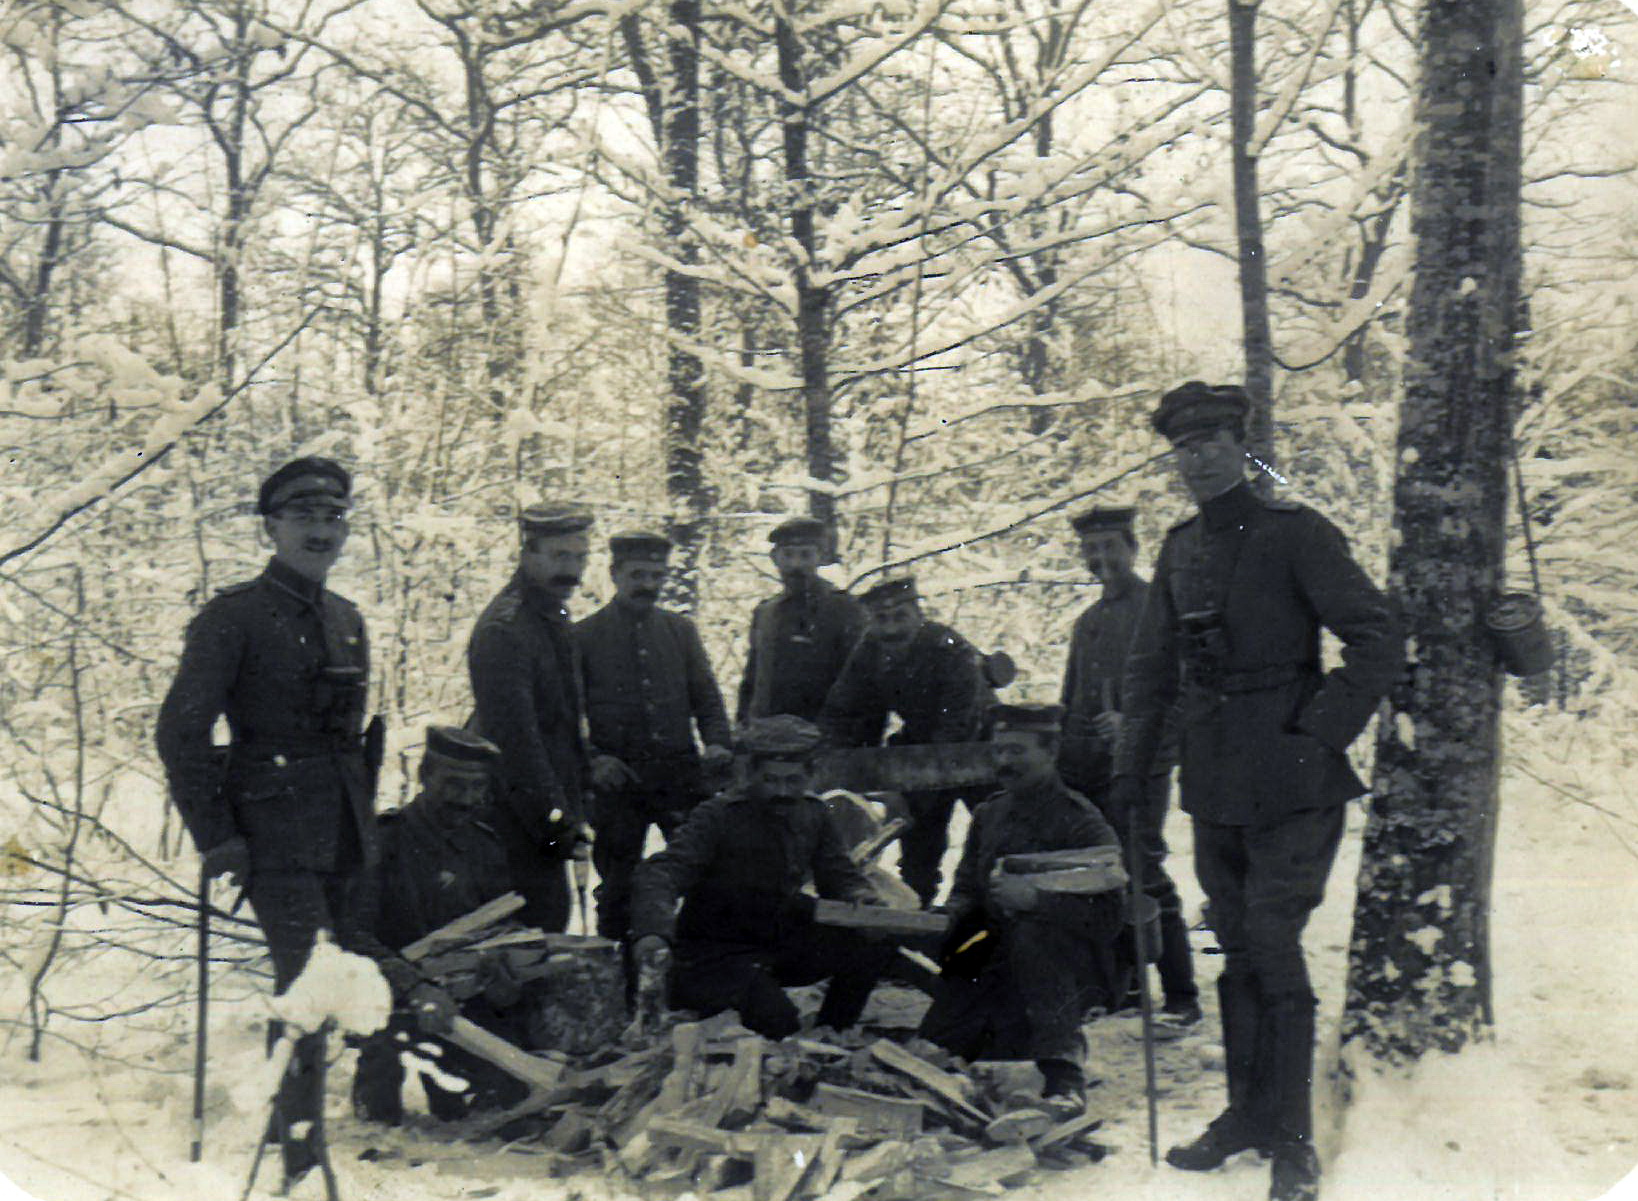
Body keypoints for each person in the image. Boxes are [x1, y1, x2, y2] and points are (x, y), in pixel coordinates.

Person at [1112, 382, 1403, 1201]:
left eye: (1210, 442)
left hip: (1293, 777)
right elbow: (1149, 670)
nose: (1196, 458)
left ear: (1243, 445)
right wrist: (1134, 769)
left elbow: (1377, 637)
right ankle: (1246, 1113)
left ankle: (1295, 1139)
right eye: (1182, 447)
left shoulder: (1296, 534)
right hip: (1213, 779)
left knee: (1273, 941)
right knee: (1237, 946)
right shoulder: (1177, 550)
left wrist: (1316, 735)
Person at [155, 457, 426, 1186]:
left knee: (326, 981)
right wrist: (217, 834)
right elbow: (181, 731)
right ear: (271, 526)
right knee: (308, 978)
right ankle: (303, 1156)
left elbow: (350, 738)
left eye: (333, 518)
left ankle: (289, 1120)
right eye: (303, 517)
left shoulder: (347, 619)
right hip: (271, 832)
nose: (320, 530)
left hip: (342, 828)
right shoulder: (231, 616)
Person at [626, 716, 896, 1039]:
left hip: (776, 936)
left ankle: (830, 1036)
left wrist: (861, 898)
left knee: (871, 943)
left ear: (811, 775)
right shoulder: (717, 817)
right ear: (751, 774)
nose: (782, 791)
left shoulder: (814, 813)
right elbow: (660, 873)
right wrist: (653, 932)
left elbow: (838, 874)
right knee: (779, 1023)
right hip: (715, 952)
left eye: (793, 781)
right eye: (771, 780)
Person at [917, 704, 1125, 1116]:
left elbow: (1110, 919)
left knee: (1034, 937)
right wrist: (949, 916)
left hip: (1070, 968)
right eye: (999, 751)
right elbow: (966, 889)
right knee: (945, 1034)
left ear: (1051, 753)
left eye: (1017, 751)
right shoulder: (989, 814)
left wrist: (1036, 901)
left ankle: (1064, 1075)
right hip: (999, 957)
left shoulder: (1081, 822)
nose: (1004, 762)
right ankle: (949, 1050)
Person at [353, 727, 538, 1124]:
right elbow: (354, 934)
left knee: (498, 1106)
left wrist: (504, 974)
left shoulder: (486, 846)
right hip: (393, 1001)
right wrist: (414, 987)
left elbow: (500, 928)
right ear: (424, 775)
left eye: (476, 788)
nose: (466, 800)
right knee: (379, 1118)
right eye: (453, 785)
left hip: (463, 1006)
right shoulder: (384, 841)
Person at [1059, 505, 1199, 1024]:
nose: (1101, 559)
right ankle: (1129, 988)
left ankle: (1182, 995)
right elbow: (1072, 701)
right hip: (1091, 767)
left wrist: (1133, 726)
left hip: (1144, 764)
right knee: (1103, 872)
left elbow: (1184, 692)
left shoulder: (1156, 609)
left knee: (1144, 869)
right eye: (1091, 550)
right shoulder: (1087, 623)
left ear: (1132, 549)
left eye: (1110, 547)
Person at [575, 531, 733, 941]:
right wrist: (593, 759)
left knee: (703, 873)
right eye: (637, 575)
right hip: (619, 783)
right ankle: (617, 975)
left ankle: (697, 971)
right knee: (616, 886)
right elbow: (566, 716)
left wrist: (716, 743)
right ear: (614, 574)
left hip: (679, 776)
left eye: (656, 576)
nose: (648, 585)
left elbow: (707, 698)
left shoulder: (680, 631)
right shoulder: (583, 637)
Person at [818, 577, 991, 906]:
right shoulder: (870, 649)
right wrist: (835, 764)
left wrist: (910, 791)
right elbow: (844, 709)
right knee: (918, 859)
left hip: (978, 750)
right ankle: (919, 922)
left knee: (992, 837)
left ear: (918, 615)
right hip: (921, 749)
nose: (891, 628)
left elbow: (959, 725)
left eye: (901, 617)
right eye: (882, 619)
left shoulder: (949, 648)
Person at [468, 505, 594, 933]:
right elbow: (515, 744)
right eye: (560, 557)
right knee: (530, 940)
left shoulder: (550, 615)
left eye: (580, 557)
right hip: (513, 820)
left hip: (542, 816)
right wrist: (556, 825)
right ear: (528, 553)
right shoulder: (506, 630)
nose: (573, 571)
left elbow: (562, 727)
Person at [737, 516, 866, 724]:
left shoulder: (845, 608)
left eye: (806, 555)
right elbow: (752, 681)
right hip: (768, 736)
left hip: (824, 736)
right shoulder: (765, 613)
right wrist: (744, 725)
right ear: (774, 558)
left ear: (820, 557)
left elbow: (859, 682)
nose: (796, 565)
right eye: (788, 555)